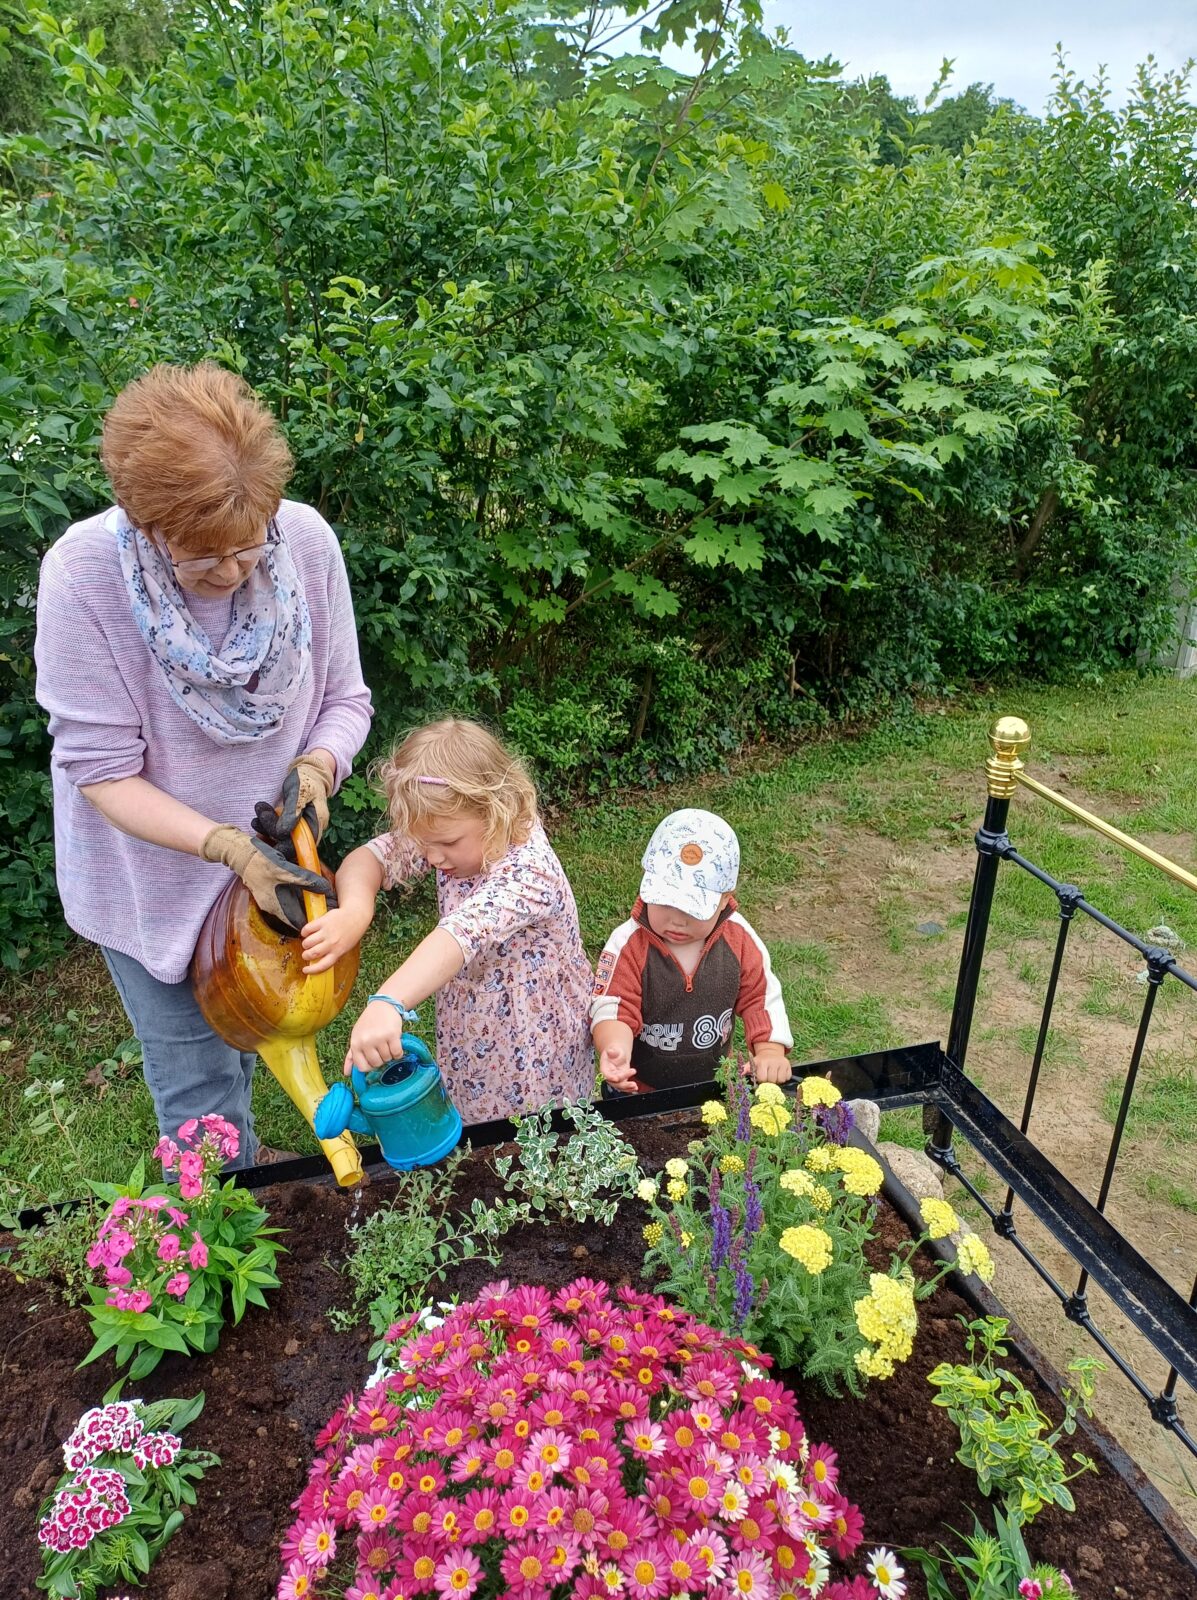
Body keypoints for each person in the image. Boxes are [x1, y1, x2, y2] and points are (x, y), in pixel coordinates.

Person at [34, 363, 373, 1166]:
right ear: (143, 519)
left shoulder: (306, 543)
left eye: (248, 547)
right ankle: (219, 1226)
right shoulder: (83, 578)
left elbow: (345, 699)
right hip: (150, 880)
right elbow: (103, 772)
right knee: (200, 1106)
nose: (231, 571)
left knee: (269, 1026)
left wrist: (318, 768)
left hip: (280, 869)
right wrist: (226, 849)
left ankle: (257, 1182)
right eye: (201, 558)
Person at [300, 718, 593, 1123]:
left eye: (448, 843)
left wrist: (387, 1001)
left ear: (498, 810)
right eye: (424, 844)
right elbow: (368, 858)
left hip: (536, 1042)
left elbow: (456, 937)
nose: (433, 857)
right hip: (474, 1028)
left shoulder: (529, 871)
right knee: (475, 1126)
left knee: (538, 1136)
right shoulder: (454, 833)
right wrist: (355, 910)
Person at [590, 808, 793, 1094]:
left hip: (716, 1085)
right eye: (664, 902)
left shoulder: (739, 939)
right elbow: (614, 1006)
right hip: (638, 1088)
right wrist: (615, 1049)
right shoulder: (629, 944)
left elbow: (761, 996)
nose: (677, 920)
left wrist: (770, 1050)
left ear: (724, 900)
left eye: (692, 909)